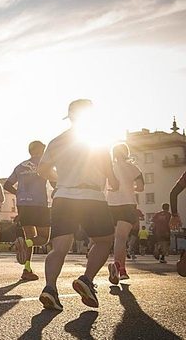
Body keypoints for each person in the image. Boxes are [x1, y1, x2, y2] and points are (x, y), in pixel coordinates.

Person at [37, 99, 119, 311]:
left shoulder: (56, 141)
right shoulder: (98, 141)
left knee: (59, 248)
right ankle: (87, 279)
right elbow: (112, 177)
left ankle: (50, 288)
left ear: (71, 117)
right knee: (104, 241)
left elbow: (42, 170)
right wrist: (115, 182)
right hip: (92, 197)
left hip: (64, 196)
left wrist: (61, 180)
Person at [4, 140, 54, 282]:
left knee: (30, 237)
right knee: (44, 238)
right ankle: (25, 245)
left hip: (23, 205)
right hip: (39, 205)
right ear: (40, 151)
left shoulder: (20, 166)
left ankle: (27, 269)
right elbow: (55, 181)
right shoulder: (44, 164)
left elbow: (7, 185)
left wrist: (19, 193)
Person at [105, 143, 144, 284]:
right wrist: (129, 185)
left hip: (110, 205)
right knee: (121, 238)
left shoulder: (109, 168)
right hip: (127, 204)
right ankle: (119, 268)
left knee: (115, 238)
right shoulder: (134, 168)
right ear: (126, 153)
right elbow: (140, 188)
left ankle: (119, 268)